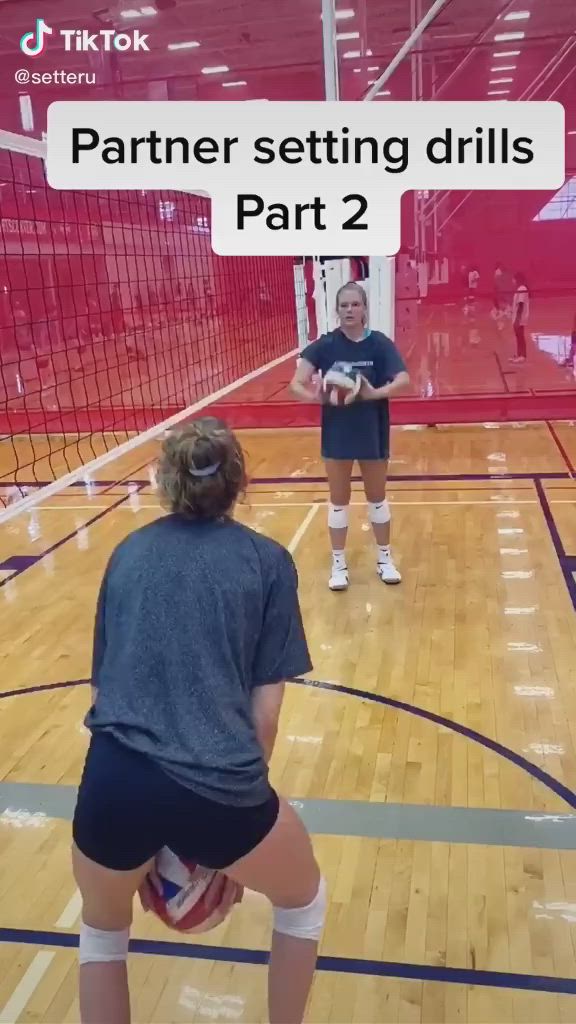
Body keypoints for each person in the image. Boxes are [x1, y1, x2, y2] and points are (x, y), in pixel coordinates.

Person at [72, 417, 322, 1024]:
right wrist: (225, 838)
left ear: (164, 480)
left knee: (102, 936)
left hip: (111, 780)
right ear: (239, 481)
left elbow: (105, 685)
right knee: (302, 903)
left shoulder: (127, 552)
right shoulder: (267, 562)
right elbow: (265, 719)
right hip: (219, 785)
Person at [290, 282, 410, 591]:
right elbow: (296, 383)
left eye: (355, 305)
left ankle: (384, 559)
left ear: (365, 309)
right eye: (344, 305)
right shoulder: (325, 345)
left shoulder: (379, 344)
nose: (349, 310)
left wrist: (373, 394)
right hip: (338, 434)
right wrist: (322, 398)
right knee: (339, 501)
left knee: (377, 499)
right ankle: (339, 563)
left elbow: (404, 380)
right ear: (337, 310)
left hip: (372, 431)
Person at [510, 272, 530, 363]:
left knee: (520, 336)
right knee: (518, 336)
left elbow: (521, 304)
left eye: (514, 279)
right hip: (517, 317)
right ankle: (519, 354)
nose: (513, 281)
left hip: (520, 317)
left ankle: (523, 355)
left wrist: (517, 319)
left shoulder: (522, 288)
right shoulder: (519, 289)